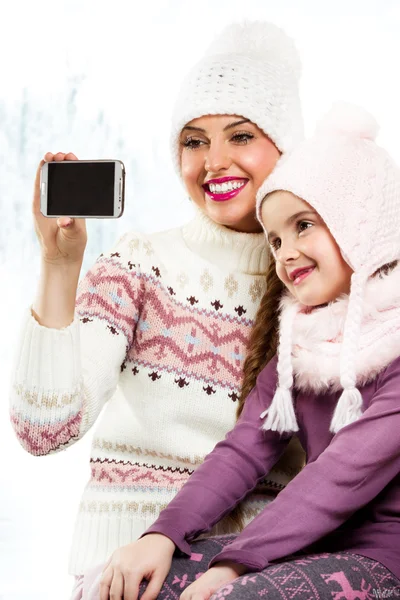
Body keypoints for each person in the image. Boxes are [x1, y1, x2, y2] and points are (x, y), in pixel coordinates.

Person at [9, 19, 305, 592]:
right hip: (130, 570)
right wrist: (60, 264)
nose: (214, 161)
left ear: (285, 147)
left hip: (262, 572)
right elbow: (43, 429)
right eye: (195, 141)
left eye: (240, 136)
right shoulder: (143, 266)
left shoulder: (312, 285)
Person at [88, 103, 400, 600]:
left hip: (384, 559)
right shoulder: (300, 346)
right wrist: (161, 535)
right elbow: (242, 451)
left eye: (303, 225)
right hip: (313, 549)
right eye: (274, 239)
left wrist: (233, 566)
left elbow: (340, 475)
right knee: (114, 585)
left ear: (359, 223)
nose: (287, 251)